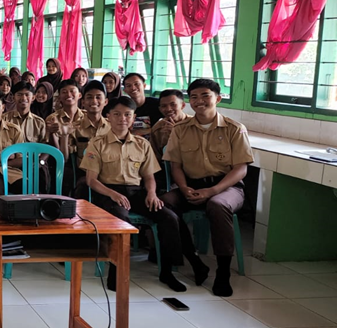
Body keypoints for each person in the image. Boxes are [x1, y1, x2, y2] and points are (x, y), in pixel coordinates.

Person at [81, 96, 204, 293]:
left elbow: (149, 176)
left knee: (169, 217)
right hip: (108, 193)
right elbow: (91, 181)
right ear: (109, 117)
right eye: (117, 114)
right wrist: (112, 194)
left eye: (127, 115)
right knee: (120, 220)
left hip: (137, 192)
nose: (122, 119)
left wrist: (152, 194)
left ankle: (167, 272)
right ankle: (116, 271)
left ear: (133, 118)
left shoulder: (142, 144)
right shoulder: (97, 143)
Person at [162, 78, 251, 297]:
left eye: (205, 96)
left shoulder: (234, 129)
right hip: (190, 185)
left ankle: (223, 272)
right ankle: (194, 261)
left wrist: (213, 191)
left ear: (218, 99)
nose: (199, 101)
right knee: (165, 204)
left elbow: (241, 169)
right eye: (194, 97)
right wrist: (182, 188)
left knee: (217, 205)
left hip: (227, 187)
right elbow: (176, 166)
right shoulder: (181, 130)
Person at [71, 81, 111, 197]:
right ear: (83, 102)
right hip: (85, 174)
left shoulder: (113, 128)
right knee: (82, 189)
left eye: (98, 97)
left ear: (105, 101)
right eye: (89, 97)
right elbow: (67, 155)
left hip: (110, 175)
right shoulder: (75, 127)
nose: (94, 101)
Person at [44, 80, 84, 194]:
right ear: (59, 96)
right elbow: (56, 151)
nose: (68, 95)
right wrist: (52, 133)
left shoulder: (86, 118)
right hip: (62, 160)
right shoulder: (52, 119)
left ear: (79, 95)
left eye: (72, 91)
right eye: (64, 92)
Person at [123, 73, 162, 139]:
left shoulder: (157, 104)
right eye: (129, 86)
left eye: (136, 84)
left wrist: (142, 131)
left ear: (144, 85)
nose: (133, 88)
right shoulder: (123, 107)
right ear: (125, 90)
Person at [151, 89, 187, 162]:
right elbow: (155, 157)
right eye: (164, 106)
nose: (168, 109)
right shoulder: (157, 129)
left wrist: (177, 135)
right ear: (160, 109)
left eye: (173, 104)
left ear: (182, 105)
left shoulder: (195, 124)